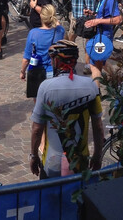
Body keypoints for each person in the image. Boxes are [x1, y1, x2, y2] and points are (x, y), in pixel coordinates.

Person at [29, 40, 105, 178]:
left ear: (57, 62)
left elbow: (37, 128)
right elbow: (98, 126)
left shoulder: (46, 87)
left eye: (52, 60)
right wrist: (98, 156)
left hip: (52, 161)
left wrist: (33, 155)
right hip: (80, 161)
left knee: (50, 197)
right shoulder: (92, 85)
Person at [82, 0, 123, 80]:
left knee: (95, 64)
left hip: (104, 35)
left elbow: (118, 19)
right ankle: (116, 79)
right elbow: (103, 15)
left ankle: (96, 92)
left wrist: (98, 21)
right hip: (99, 34)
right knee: (99, 62)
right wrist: (92, 14)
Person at [21, 5, 66, 98]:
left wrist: (22, 72)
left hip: (37, 71)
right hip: (53, 71)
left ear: (41, 16)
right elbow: (57, 24)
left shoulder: (33, 33)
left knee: (38, 98)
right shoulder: (60, 31)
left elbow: (26, 58)